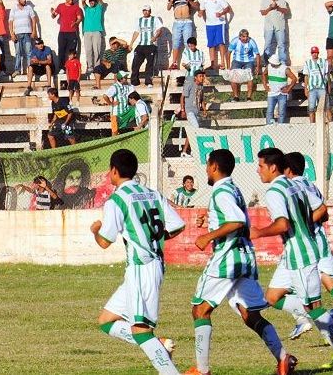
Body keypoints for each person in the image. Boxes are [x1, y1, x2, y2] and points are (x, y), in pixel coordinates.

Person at [185, 149, 295, 375]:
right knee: (250, 314)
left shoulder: (221, 191)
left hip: (227, 258)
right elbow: (236, 218)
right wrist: (210, 219)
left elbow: (235, 221)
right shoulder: (232, 188)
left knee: (200, 310)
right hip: (245, 258)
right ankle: (283, 359)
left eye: (207, 165)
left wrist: (208, 236)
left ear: (214, 166)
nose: (206, 169)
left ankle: (202, 370)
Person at [252, 148, 333, 369]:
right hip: (293, 253)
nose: (258, 170)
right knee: (272, 296)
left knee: (312, 306)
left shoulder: (274, 192)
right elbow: (320, 208)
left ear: (272, 167)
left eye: (260, 166)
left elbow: (283, 224)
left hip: (301, 255)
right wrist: (304, 225)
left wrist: (258, 232)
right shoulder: (296, 184)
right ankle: (324, 316)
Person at [91, 148, 184, 375]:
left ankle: (170, 371)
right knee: (106, 320)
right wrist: (155, 239)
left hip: (142, 268)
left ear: (114, 171)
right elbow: (177, 225)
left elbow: (104, 241)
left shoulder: (117, 200)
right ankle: (159, 345)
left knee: (141, 331)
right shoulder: (153, 194)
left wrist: (95, 230)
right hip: (147, 267)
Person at [281, 152, 333, 348]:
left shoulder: (293, 188)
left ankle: (303, 319)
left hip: (304, 244)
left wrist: (303, 222)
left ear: (289, 170)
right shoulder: (312, 186)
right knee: (331, 284)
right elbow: (324, 215)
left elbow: (315, 213)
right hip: (320, 240)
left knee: (284, 289)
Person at [199, 0, 232, 70]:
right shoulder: (205, 0)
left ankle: (222, 63)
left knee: (221, 43)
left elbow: (227, 8)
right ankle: (213, 64)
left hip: (219, 24)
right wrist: (200, 13)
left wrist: (221, 14)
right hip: (209, 25)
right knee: (211, 45)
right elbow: (202, 10)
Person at [167, 0, 199, 69]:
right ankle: (174, 63)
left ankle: (190, 61)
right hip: (177, 22)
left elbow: (197, 6)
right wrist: (171, 1)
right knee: (175, 43)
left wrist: (190, 1)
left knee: (187, 42)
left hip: (187, 22)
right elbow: (168, 8)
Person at [50, 0, 83, 74]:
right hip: (62, 33)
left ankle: (71, 68)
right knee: (61, 51)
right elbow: (54, 16)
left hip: (72, 33)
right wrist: (52, 13)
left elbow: (79, 18)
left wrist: (76, 23)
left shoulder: (76, 7)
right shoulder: (60, 6)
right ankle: (62, 68)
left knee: (71, 51)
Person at [130, 5, 162, 87]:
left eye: (147, 10)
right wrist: (131, 43)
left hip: (151, 45)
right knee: (135, 63)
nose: (145, 12)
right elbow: (136, 32)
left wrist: (155, 37)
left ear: (150, 11)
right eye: (144, 10)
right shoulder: (139, 20)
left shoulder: (155, 19)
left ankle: (148, 82)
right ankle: (134, 82)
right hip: (141, 45)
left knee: (149, 64)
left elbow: (159, 30)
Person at [9, 0, 38, 78]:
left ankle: (30, 70)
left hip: (27, 33)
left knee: (29, 52)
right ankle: (17, 70)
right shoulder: (14, 9)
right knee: (18, 52)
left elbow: (33, 20)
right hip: (17, 34)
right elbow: (10, 22)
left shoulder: (29, 8)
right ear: (18, 0)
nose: (24, 0)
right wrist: (12, 34)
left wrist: (34, 31)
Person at [262, 54, 297, 125]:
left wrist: (288, 89)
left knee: (281, 112)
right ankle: (269, 125)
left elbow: (294, 79)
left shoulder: (285, 69)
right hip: (271, 93)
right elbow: (264, 74)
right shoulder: (269, 67)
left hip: (282, 93)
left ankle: (281, 127)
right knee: (270, 111)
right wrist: (265, 85)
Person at [228, 29, 261, 102]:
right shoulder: (235, 41)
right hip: (237, 60)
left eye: (246, 36)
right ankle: (236, 96)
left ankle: (249, 97)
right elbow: (229, 52)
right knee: (233, 75)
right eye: (243, 37)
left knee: (249, 76)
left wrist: (258, 67)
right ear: (240, 37)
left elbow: (258, 55)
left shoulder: (252, 42)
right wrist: (228, 66)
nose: (245, 38)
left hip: (249, 61)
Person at [301, 46, 332, 123]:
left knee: (327, 107)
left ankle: (331, 124)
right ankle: (312, 125)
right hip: (312, 88)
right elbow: (306, 76)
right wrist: (305, 88)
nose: (314, 54)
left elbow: (327, 74)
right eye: (313, 53)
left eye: (315, 52)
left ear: (318, 53)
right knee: (311, 109)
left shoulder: (324, 61)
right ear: (311, 54)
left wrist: (329, 86)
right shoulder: (307, 63)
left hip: (322, 87)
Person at [179, 69, 206, 157]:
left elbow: (201, 99)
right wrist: (183, 110)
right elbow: (182, 97)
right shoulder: (190, 84)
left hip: (197, 111)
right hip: (189, 110)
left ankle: (184, 151)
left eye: (203, 76)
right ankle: (194, 150)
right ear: (195, 77)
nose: (202, 78)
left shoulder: (201, 86)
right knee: (196, 128)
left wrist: (204, 110)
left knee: (191, 131)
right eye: (200, 76)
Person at [260, 0, 289, 65]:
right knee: (267, 44)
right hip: (269, 26)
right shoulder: (265, 1)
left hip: (279, 26)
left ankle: (283, 62)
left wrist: (277, 8)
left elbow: (286, 11)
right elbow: (263, 13)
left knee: (281, 44)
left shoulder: (282, 0)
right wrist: (270, 8)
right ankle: (267, 62)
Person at [102, 71, 135, 136]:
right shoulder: (114, 87)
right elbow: (105, 96)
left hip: (126, 110)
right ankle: (113, 142)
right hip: (117, 112)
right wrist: (111, 103)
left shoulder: (128, 85)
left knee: (137, 110)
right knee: (115, 131)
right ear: (121, 79)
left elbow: (134, 92)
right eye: (125, 77)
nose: (126, 78)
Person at [81, 0, 106, 72]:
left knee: (97, 50)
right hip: (87, 31)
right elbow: (82, 1)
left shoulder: (99, 7)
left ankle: (97, 66)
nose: (91, 2)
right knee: (88, 50)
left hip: (97, 31)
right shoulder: (87, 8)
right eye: (90, 1)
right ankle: (90, 66)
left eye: (93, 0)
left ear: (95, 1)